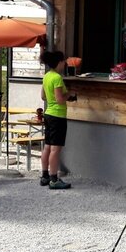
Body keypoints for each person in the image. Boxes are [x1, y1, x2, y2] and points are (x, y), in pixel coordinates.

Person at [39, 51, 76, 190]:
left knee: (47, 147)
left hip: (48, 114)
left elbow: (43, 96)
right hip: (58, 116)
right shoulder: (57, 78)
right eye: (63, 61)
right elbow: (60, 99)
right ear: (59, 62)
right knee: (55, 149)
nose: (64, 63)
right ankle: (54, 179)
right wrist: (69, 94)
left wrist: (54, 99)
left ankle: (45, 176)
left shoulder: (47, 76)